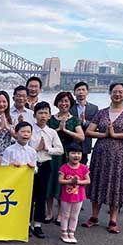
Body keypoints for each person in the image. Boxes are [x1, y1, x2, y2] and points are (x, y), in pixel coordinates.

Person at [83, 83, 123, 234]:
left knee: (117, 184)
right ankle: (94, 216)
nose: (117, 94)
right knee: (98, 181)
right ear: (110, 93)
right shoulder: (101, 112)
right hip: (101, 154)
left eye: (121, 92)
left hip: (120, 155)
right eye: (115, 92)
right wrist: (104, 134)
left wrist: (115, 135)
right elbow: (89, 131)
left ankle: (113, 220)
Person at [45, 92, 84, 224]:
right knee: (50, 182)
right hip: (52, 155)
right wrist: (57, 129)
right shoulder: (50, 119)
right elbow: (44, 136)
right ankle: (49, 212)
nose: (64, 103)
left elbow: (81, 136)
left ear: (70, 103)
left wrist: (65, 130)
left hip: (67, 156)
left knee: (64, 184)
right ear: (57, 103)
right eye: (61, 101)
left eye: (66, 101)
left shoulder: (74, 120)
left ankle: (62, 214)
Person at [28, 102, 64, 239]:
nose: (43, 116)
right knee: (30, 196)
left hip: (46, 165)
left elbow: (60, 150)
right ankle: (26, 224)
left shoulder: (52, 132)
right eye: (40, 113)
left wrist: (47, 149)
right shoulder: (29, 130)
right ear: (35, 115)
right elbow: (24, 146)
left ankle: (37, 224)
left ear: (49, 115)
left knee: (42, 195)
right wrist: (36, 149)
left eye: (45, 113)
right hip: (31, 166)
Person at [58, 143, 90, 244]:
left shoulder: (84, 168)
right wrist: (70, 182)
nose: (76, 155)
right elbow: (60, 180)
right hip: (66, 196)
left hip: (79, 196)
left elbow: (88, 181)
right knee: (65, 214)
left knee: (74, 215)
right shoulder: (64, 167)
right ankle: (64, 232)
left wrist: (78, 182)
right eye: (73, 153)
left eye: (78, 153)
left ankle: (71, 232)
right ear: (67, 155)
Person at [70, 81, 98, 165]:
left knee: (83, 166)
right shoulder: (69, 106)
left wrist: (85, 122)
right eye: (78, 90)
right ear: (74, 93)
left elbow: (96, 125)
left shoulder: (94, 108)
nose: (81, 92)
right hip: (71, 141)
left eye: (83, 89)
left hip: (85, 143)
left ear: (87, 92)